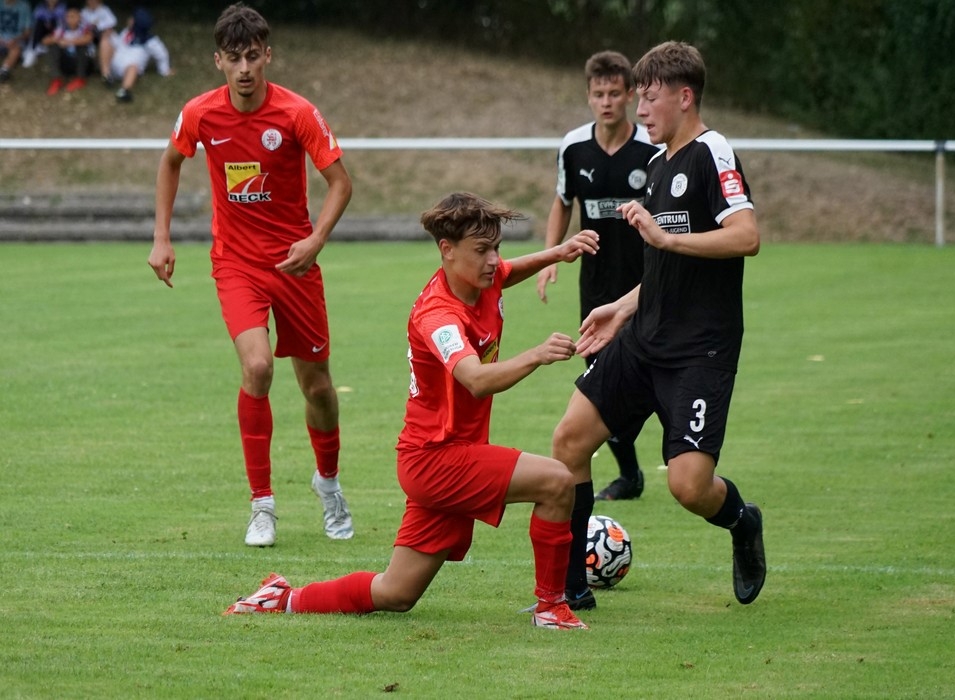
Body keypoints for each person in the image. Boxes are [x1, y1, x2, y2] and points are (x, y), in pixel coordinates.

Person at [224, 192, 599, 630]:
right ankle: (551, 607)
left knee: (396, 593)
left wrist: (557, 252)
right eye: (482, 250)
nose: (494, 260)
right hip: (438, 458)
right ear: (447, 249)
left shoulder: (483, 277)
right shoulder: (439, 315)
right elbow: (475, 379)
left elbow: (508, 271)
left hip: (437, 456)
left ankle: (282, 598)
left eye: (496, 248)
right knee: (557, 481)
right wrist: (536, 354)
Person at [550, 40, 767, 607]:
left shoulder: (712, 151)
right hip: (643, 339)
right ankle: (571, 591)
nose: (640, 110)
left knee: (688, 486)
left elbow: (746, 236)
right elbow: (665, 268)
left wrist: (667, 239)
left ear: (685, 97)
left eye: (650, 99)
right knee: (569, 440)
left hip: (700, 349)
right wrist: (623, 307)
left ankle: (742, 521)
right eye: (639, 99)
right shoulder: (655, 163)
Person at [148, 3, 354, 548]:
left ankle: (329, 482)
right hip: (236, 265)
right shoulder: (200, 113)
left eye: (253, 56)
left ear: (268, 56)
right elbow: (170, 161)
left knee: (318, 387)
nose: (244, 68)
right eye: (233, 58)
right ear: (218, 61)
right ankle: (262, 506)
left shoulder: (297, 113)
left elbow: (340, 182)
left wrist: (316, 239)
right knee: (257, 367)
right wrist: (162, 237)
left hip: (295, 265)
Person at [536, 50, 661, 507]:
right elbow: (562, 201)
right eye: (598, 94)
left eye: (614, 93)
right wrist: (550, 256)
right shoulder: (573, 147)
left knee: (648, 376)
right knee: (600, 378)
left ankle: (678, 461)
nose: (606, 102)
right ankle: (630, 474)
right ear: (588, 96)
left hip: (646, 283)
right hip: (595, 286)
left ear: (629, 95)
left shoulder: (652, 148)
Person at [106, 7, 172, 103]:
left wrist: (164, 70)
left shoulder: (150, 41)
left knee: (133, 68)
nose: (129, 20)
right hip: (113, 62)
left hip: (127, 69)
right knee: (105, 42)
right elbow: (118, 44)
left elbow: (162, 55)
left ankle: (124, 90)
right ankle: (106, 75)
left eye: (132, 19)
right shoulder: (126, 32)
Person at [41, 4, 92, 94]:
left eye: (73, 16)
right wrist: (56, 40)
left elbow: (88, 39)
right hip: (66, 62)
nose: (70, 19)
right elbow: (44, 41)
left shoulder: (84, 28)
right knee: (53, 46)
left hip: (82, 63)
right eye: (67, 17)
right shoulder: (61, 28)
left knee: (82, 46)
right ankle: (56, 80)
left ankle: (80, 79)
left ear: (79, 17)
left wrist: (69, 42)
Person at [22, 0, 65, 68]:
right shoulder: (40, 7)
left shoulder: (62, 7)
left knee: (56, 22)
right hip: (42, 30)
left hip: (56, 32)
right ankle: (33, 49)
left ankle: (44, 46)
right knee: (39, 23)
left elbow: (61, 23)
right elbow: (35, 19)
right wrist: (47, 22)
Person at [79, 0, 113, 81]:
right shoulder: (84, 12)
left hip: (101, 34)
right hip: (88, 35)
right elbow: (81, 25)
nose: (92, 2)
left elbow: (111, 23)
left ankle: (105, 71)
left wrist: (97, 26)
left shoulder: (104, 10)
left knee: (105, 40)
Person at [0, 0, 32, 82]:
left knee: (16, 49)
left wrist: (16, 39)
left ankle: (4, 70)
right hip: (1, 37)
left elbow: (28, 31)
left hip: (16, 39)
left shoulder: (24, 6)